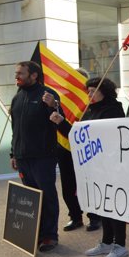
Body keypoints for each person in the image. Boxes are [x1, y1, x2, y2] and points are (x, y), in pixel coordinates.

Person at [50, 78, 127, 257]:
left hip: (111, 164)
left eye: (93, 90)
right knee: (102, 203)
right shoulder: (89, 110)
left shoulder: (114, 109)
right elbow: (79, 136)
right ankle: (107, 241)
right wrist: (61, 122)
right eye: (88, 91)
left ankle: (120, 245)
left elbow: (106, 135)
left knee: (114, 205)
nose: (89, 94)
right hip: (95, 165)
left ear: (104, 91)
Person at [42, 67, 101, 233]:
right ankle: (75, 217)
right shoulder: (62, 99)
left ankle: (95, 217)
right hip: (64, 146)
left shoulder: (92, 102)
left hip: (85, 148)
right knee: (68, 185)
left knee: (87, 184)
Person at [10, 61, 61, 252]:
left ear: (33, 75)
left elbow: (59, 119)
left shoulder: (48, 95)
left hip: (43, 157)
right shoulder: (17, 98)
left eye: (21, 73)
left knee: (47, 196)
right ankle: (34, 234)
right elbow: (16, 129)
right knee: (31, 198)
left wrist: (53, 106)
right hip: (23, 158)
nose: (17, 76)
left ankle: (49, 236)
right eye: (16, 73)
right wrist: (14, 153)